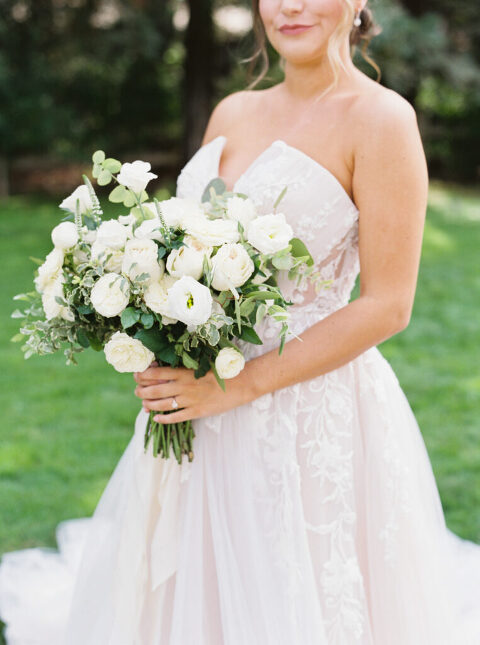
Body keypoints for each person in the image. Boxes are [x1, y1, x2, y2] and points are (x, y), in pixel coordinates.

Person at [1, 1, 479, 644]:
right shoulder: (233, 111)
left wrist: (239, 386)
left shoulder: (382, 120)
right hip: (194, 403)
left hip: (306, 415)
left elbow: (388, 304)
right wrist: (152, 330)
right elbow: (183, 252)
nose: (291, 4)